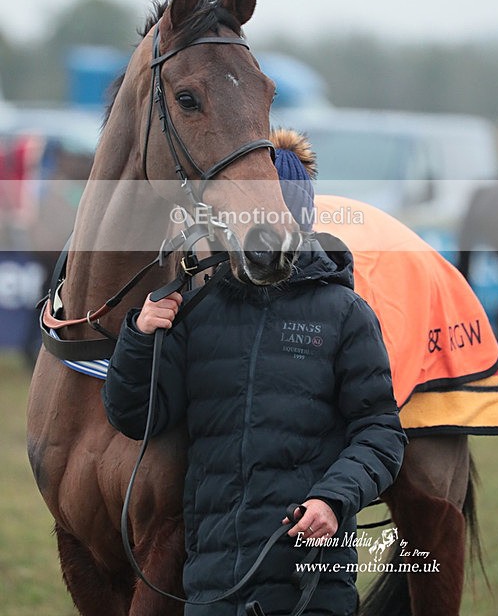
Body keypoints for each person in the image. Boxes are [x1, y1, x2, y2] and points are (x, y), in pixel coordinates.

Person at [102, 129, 407, 616]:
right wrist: (139, 338)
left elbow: (381, 432)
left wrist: (332, 499)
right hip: (211, 586)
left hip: (310, 585)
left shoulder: (346, 313)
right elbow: (135, 416)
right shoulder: (195, 311)